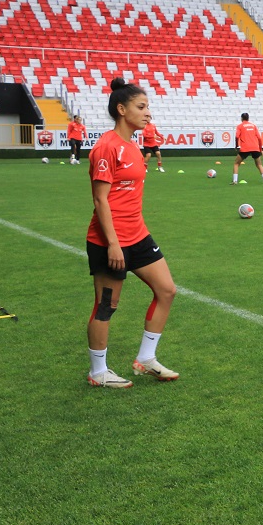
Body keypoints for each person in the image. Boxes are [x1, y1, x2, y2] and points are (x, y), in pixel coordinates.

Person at [85, 77, 179, 388]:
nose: (148, 112)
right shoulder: (106, 147)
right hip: (109, 241)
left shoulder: (133, 147)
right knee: (106, 305)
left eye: (148, 106)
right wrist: (113, 245)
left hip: (138, 235)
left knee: (167, 290)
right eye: (142, 107)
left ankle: (146, 359)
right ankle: (98, 373)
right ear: (122, 109)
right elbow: (100, 199)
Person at [233, 113, 263, 184]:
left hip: (245, 148)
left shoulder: (240, 126)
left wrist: (236, 146)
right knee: (259, 164)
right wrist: (260, 149)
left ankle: (235, 181)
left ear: (241, 118)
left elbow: (237, 136)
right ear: (248, 118)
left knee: (236, 163)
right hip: (255, 147)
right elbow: (259, 138)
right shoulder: (253, 126)